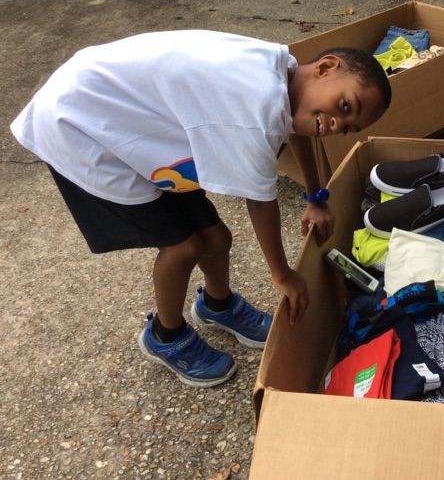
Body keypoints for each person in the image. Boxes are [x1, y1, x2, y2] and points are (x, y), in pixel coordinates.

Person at [10, 29, 392, 388]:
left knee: (216, 236)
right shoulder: (256, 106)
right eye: (344, 106)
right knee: (184, 246)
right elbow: (261, 201)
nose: (335, 123)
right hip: (82, 127)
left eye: (346, 127)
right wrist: (282, 274)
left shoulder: (286, 73)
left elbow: (299, 129)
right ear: (326, 67)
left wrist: (315, 196)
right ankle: (165, 335)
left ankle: (217, 304)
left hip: (130, 113)